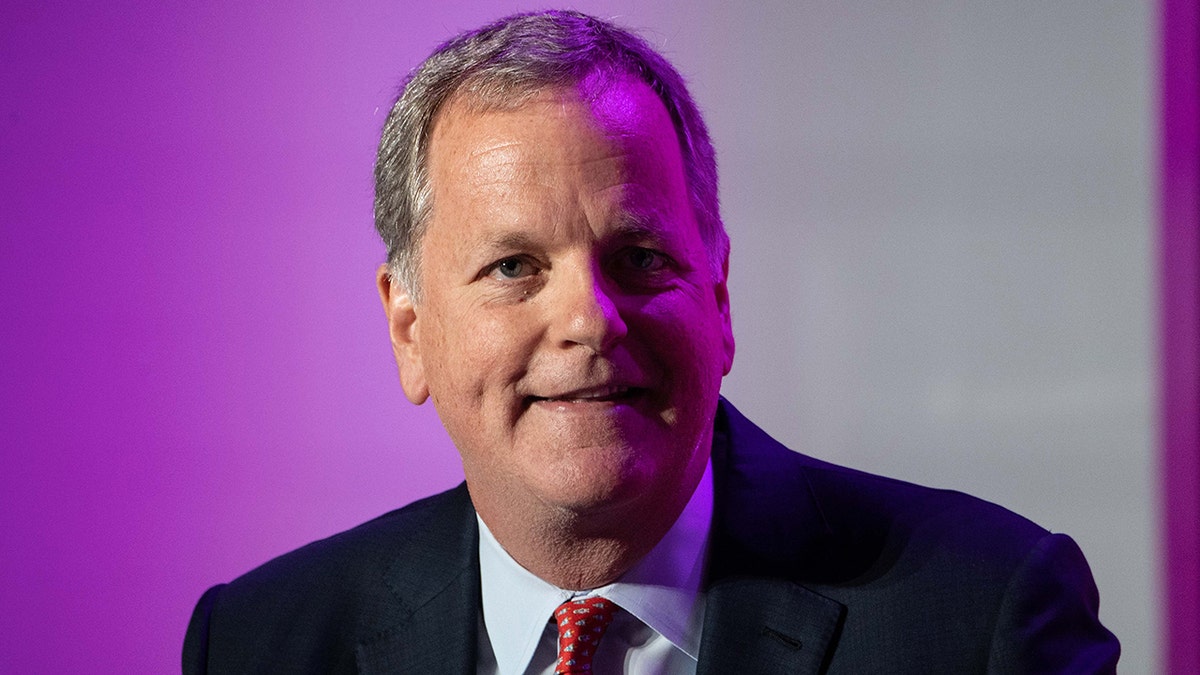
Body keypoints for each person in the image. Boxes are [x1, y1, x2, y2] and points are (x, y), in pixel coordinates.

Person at [183, 10, 1119, 673]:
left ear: (717, 296)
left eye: (638, 255)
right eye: (514, 266)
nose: (590, 318)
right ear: (410, 330)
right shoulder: (264, 641)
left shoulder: (986, 619)